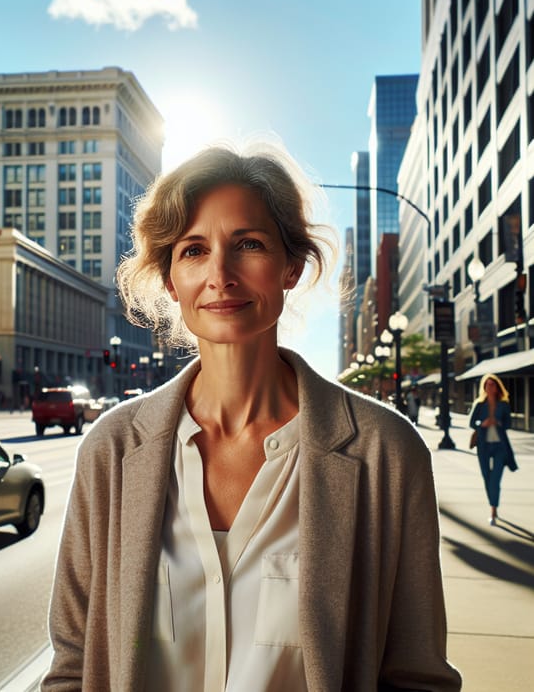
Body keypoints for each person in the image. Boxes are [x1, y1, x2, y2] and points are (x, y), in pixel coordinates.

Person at [42, 142, 461, 691]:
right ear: (171, 281)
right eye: (193, 250)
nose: (220, 274)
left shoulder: (387, 454)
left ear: (290, 266)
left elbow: (417, 676)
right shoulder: (112, 452)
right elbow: (73, 668)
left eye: (249, 244)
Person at [468, 373, 518, 526]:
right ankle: (493, 503)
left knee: (495, 479)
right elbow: (471, 422)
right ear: (484, 387)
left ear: (497, 387)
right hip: (483, 446)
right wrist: (481, 423)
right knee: (487, 477)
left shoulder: (503, 404)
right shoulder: (479, 404)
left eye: (492, 384)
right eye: (487, 384)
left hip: (499, 446)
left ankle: (493, 510)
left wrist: (498, 422)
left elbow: (509, 424)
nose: (490, 387)